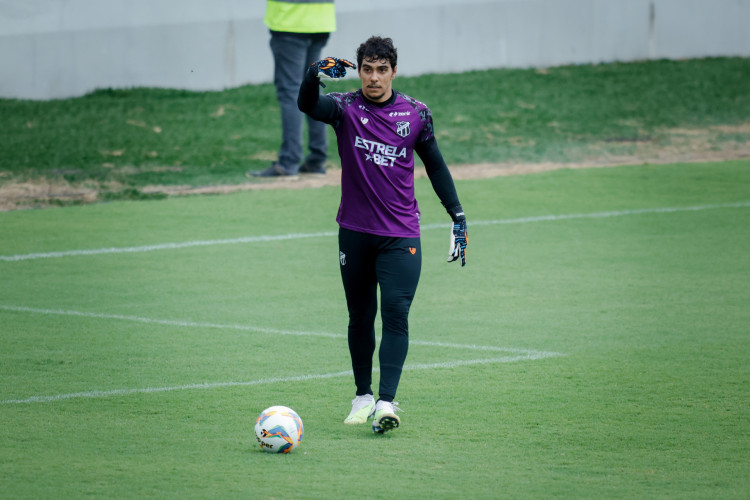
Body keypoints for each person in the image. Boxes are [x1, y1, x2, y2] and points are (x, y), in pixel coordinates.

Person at [298, 36, 468, 433]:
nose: (374, 77)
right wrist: (311, 75)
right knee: (360, 315)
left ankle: (386, 403)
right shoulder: (344, 108)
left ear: (394, 70)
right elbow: (308, 104)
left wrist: (457, 215)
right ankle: (362, 396)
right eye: (367, 69)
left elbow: (437, 167)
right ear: (359, 70)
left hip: (401, 235)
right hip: (354, 232)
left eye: (381, 69)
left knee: (396, 312)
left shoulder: (416, 114)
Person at [248, 0, 336, 178]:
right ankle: (317, 160)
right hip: (321, 19)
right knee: (312, 88)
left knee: (290, 91)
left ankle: (289, 162)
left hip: (290, 21)